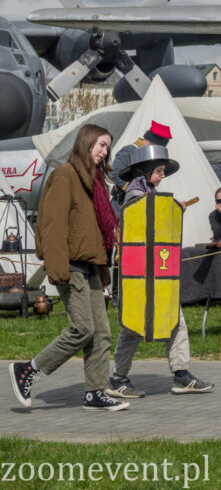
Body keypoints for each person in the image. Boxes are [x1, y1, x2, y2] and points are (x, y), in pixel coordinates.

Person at [9, 124, 128, 411]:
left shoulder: (95, 183)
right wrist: (57, 269)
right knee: (84, 329)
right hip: (70, 266)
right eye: (101, 144)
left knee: (101, 333)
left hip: (91, 266)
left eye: (108, 146)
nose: (105, 151)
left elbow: (96, 233)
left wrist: (103, 269)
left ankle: (95, 393)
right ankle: (27, 370)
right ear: (86, 142)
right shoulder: (65, 176)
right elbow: (52, 225)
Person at [107, 144, 213, 398]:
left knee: (175, 320)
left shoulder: (150, 194)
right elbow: (140, 232)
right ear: (145, 172)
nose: (163, 175)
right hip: (138, 273)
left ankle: (181, 374)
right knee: (133, 325)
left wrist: (173, 212)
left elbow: (160, 233)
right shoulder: (134, 196)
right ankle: (118, 378)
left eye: (163, 170)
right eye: (159, 171)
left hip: (158, 272)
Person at [110, 121, 172, 208]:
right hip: (121, 203)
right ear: (153, 142)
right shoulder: (129, 150)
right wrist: (132, 189)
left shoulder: (148, 154)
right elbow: (114, 173)